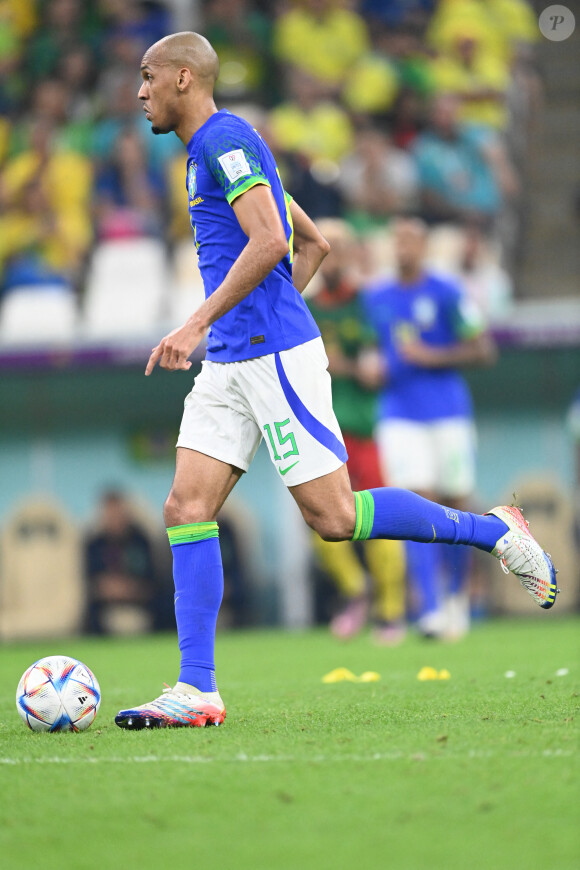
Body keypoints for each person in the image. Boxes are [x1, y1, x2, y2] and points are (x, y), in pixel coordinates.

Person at [114, 32, 558, 731]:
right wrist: (248, 322)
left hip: (269, 358)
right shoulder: (224, 147)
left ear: (182, 78)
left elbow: (270, 242)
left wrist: (202, 322)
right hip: (233, 361)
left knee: (335, 518)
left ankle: (492, 530)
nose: (138, 93)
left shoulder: (222, 144)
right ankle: (196, 687)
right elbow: (312, 243)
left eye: (146, 78)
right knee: (184, 509)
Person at [364, 217, 495, 638]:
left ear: (424, 247)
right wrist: (367, 363)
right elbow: (367, 346)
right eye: (397, 240)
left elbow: (483, 350)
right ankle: (431, 606)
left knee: (456, 502)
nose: (403, 248)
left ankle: (457, 597)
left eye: (411, 241)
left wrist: (428, 356)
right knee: (415, 503)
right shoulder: (375, 297)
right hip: (399, 414)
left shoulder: (449, 292)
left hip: (448, 412)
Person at [307, 219, 406, 645]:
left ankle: (391, 610)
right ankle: (355, 592)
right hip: (321, 428)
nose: (331, 253)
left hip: (363, 429)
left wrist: (338, 364)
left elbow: (377, 373)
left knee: (379, 516)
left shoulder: (367, 305)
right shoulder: (305, 306)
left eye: (340, 246)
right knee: (319, 520)